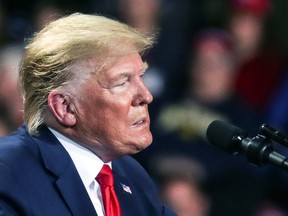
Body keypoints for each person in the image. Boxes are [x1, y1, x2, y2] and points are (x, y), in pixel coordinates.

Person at [0, 13, 177, 216]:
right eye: (122, 82)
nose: (146, 96)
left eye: (141, 76)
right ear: (64, 107)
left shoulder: (131, 175)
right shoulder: (8, 173)